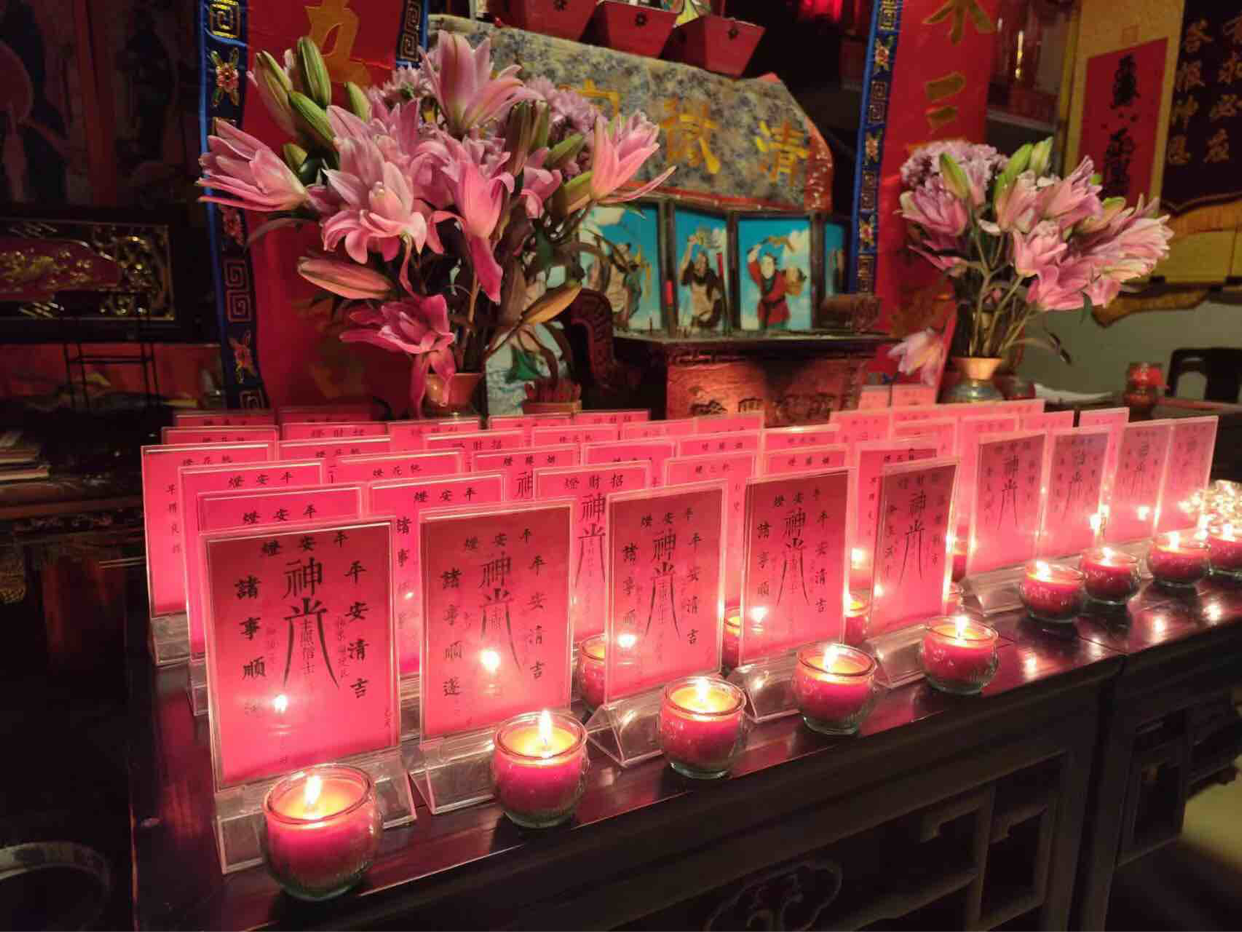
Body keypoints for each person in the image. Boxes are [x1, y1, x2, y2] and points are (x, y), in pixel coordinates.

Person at [679, 234, 725, 331]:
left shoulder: (710, 275)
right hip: (696, 318)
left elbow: (717, 296)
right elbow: (684, 264)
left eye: (702, 261)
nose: (699, 263)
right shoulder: (691, 273)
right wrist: (689, 245)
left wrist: (711, 313)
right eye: (697, 260)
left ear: (706, 265)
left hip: (710, 318)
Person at [748, 242, 790, 331]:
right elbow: (752, 262)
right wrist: (755, 251)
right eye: (763, 263)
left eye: (769, 264)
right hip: (763, 315)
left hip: (779, 316)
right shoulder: (760, 277)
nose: (765, 267)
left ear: (774, 266)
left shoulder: (782, 278)